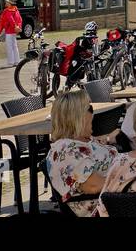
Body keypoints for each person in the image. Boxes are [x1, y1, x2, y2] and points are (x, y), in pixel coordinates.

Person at [48, 87, 117, 215]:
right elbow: (93, 186)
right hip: (109, 207)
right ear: (76, 117)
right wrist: (132, 177)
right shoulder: (68, 150)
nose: (93, 112)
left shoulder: (80, 141)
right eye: (89, 108)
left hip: (119, 199)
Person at [0, 0, 23, 67]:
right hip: (14, 31)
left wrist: (0, 31)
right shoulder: (16, 10)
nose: (5, 3)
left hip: (9, 31)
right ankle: (17, 61)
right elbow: (20, 19)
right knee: (14, 46)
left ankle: (10, 62)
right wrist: (18, 27)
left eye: (6, 2)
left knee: (9, 46)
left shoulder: (7, 11)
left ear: (9, 3)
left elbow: (8, 21)